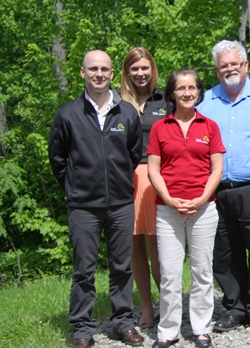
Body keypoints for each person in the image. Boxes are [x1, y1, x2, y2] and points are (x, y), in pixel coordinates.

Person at [48, 50, 145, 348]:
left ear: (112, 73)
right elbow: (58, 158)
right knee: (84, 270)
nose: (99, 74)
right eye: (93, 69)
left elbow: (134, 155)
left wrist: (116, 185)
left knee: (121, 267)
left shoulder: (126, 113)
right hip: (83, 206)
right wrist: (75, 187)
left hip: (120, 204)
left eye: (104, 69)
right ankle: (82, 329)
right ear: (82, 73)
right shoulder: (68, 114)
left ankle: (124, 322)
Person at [195, 40, 250, 336]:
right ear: (217, 70)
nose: (229, 69)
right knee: (224, 252)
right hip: (215, 190)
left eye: (235, 64)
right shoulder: (204, 102)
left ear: (246, 66)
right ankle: (235, 307)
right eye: (223, 66)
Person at [147, 68, 225, 348]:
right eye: (181, 88)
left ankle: (201, 328)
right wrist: (169, 199)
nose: (187, 93)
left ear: (199, 91)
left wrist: (202, 198)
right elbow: (153, 170)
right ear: (171, 93)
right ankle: (168, 330)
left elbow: (217, 168)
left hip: (203, 209)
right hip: (168, 211)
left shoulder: (210, 126)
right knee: (169, 273)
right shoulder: (159, 127)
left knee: (202, 271)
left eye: (192, 88)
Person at [120, 47, 169, 329]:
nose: (140, 73)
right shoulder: (116, 102)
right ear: (127, 71)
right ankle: (147, 307)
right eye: (134, 68)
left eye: (145, 68)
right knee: (133, 245)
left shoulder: (165, 100)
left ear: (153, 69)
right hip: (124, 179)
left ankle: (168, 303)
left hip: (155, 178)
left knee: (156, 245)